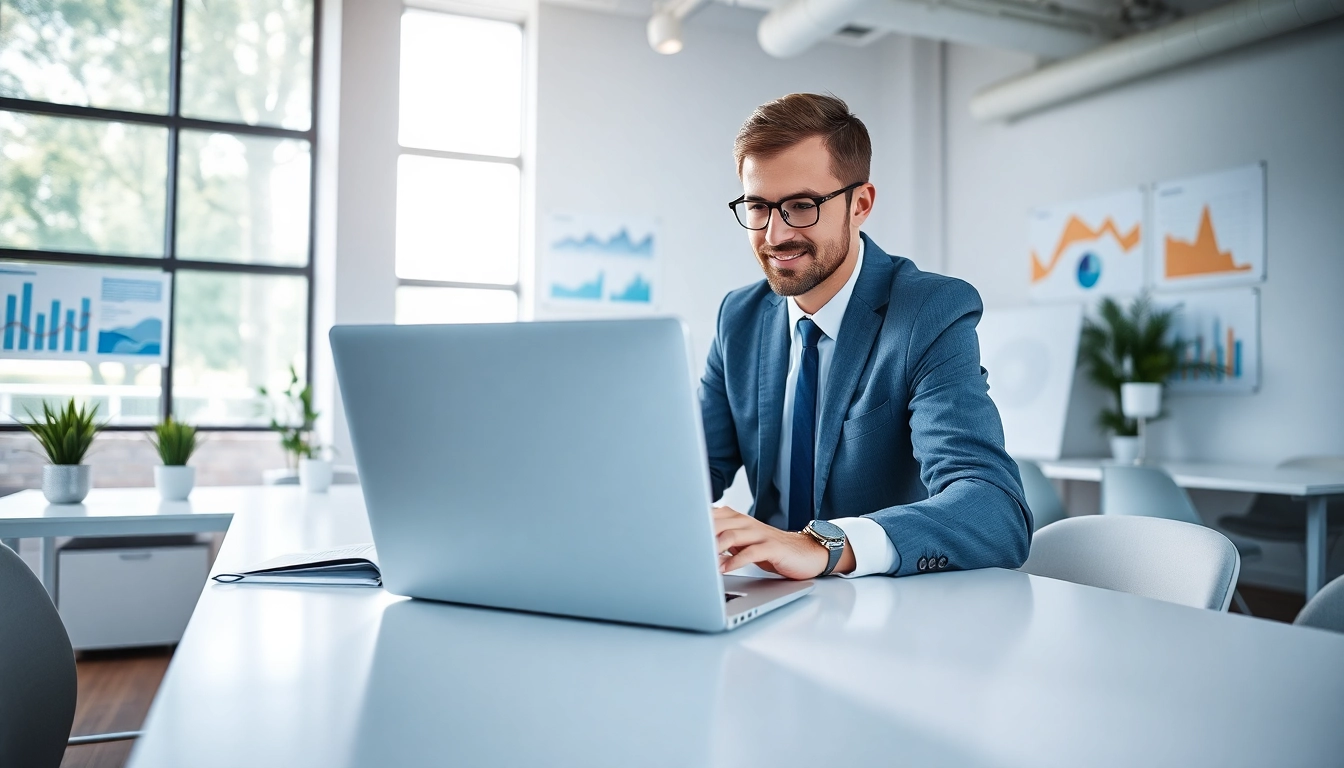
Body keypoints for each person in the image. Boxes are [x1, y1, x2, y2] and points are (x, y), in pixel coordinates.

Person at [702, 93, 1031, 580]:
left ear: (860, 204)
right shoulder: (740, 317)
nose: (774, 235)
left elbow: (994, 509)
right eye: (758, 207)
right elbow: (691, 468)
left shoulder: (927, 313)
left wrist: (825, 546)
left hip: (879, 610)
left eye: (801, 206)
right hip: (760, 592)